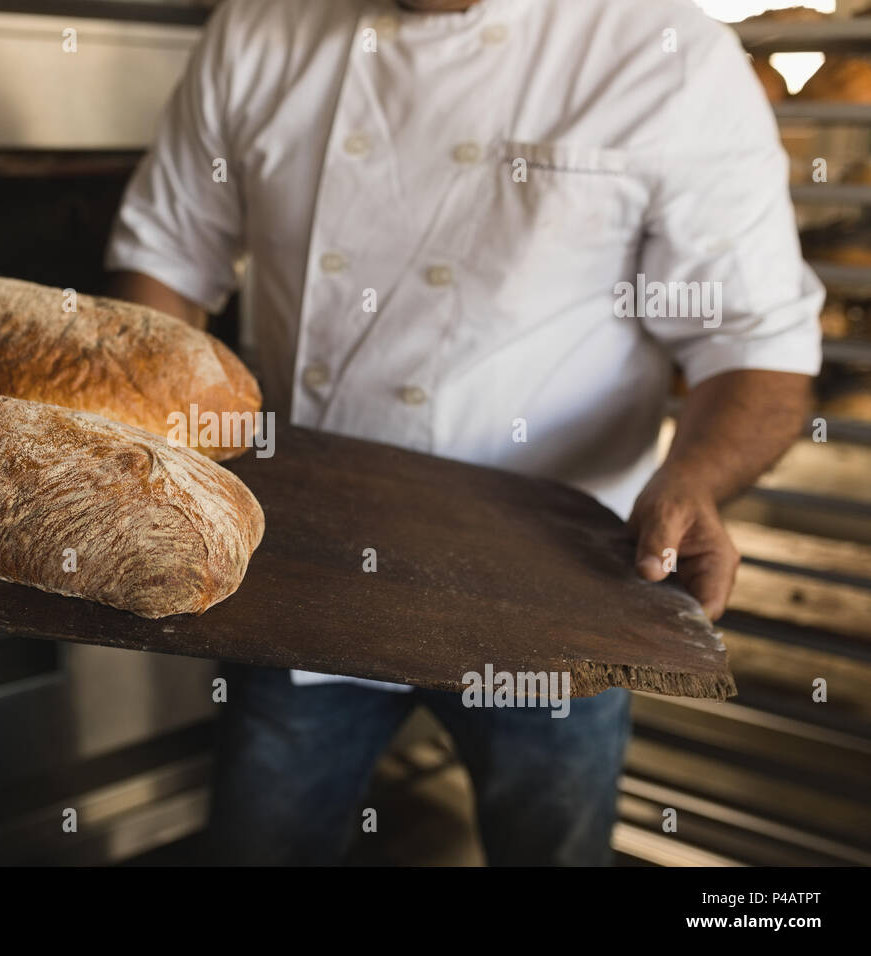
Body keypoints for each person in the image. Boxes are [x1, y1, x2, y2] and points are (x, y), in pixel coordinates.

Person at [104, 0, 822, 865]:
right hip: (305, 570)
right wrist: (164, 454)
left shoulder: (665, 49)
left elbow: (755, 346)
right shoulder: (259, 27)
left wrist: (697, 478)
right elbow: (166, 262)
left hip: (560, 587)